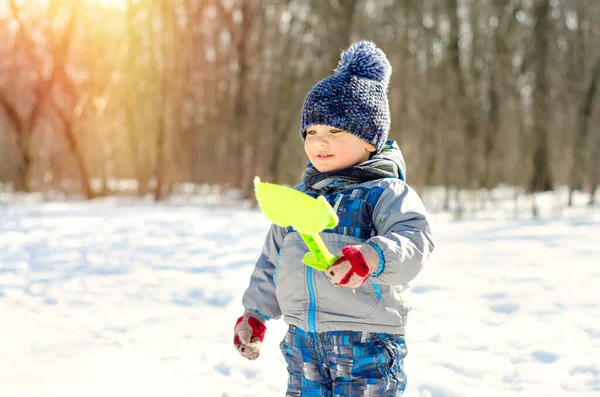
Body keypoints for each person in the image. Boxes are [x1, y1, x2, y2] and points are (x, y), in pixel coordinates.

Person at [233, 41, 435, 396]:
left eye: (335, 132)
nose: (319, 142)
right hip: (302, 342)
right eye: (312, 132)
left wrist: (370, 257)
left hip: (366, 341)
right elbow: (271, 261)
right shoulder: (299, 200)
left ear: (370, 140)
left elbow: (413, 242)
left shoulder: (385, 193)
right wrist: (255, 313)